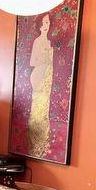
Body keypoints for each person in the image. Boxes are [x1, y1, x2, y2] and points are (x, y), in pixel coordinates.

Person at [28, 14, 53, 157]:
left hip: (47, 77)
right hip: (38, 76)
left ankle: (41, 144)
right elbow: (33, 61)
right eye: (43, 22)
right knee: (38, 107)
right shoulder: (38, 41)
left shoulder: (50, 42)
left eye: (48, 21)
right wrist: (45, 56)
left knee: (44, 110)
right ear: (39, 25)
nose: (45, 24)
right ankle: (34, 143)